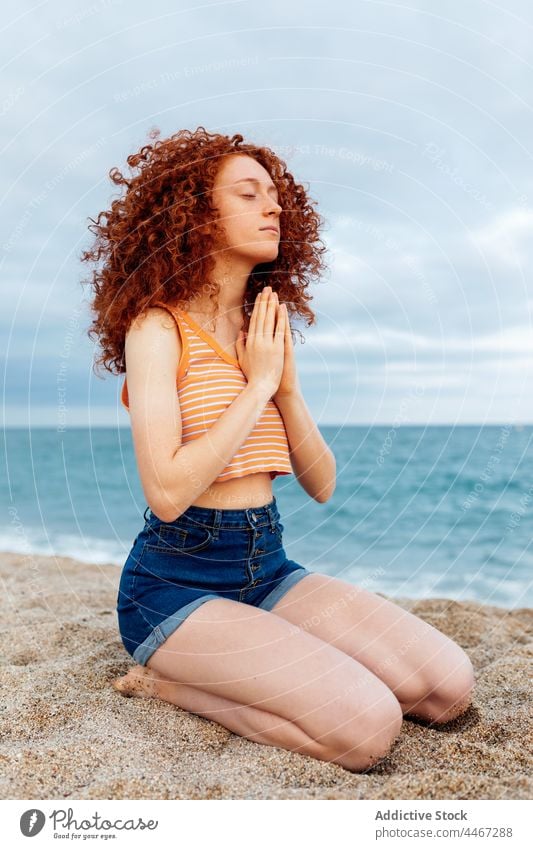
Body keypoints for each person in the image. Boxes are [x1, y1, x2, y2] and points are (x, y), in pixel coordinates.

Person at [82, 127, 475, 773]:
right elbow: (168, 491)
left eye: (276, 196)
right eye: (248, 193)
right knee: (366, 729)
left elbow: (321, 484)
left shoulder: (264, 327)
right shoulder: (156, 327)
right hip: (175, 582)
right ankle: (169, 684)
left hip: (267, 564)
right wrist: (257, 382)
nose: (274, 208)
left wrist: (285, 388)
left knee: (445, 688)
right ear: (193, 213)